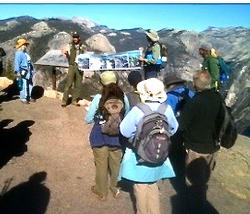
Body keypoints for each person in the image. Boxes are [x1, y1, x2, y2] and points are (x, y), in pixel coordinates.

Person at [119, 78, 178, 214]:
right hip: (159, 152)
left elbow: (124, 131)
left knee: (141, 188)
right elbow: (174, 129)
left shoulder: (138, 110)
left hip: (139, 155)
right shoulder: (166, 109)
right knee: (152, 186)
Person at [179, 70, 224, 214]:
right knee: (204, 179)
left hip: (196, 148)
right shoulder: (218, 98)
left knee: (193, 183)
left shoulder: (194, 102)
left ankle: (195, 209)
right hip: (213, 147)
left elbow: (182, 125)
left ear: (196, 84)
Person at [85, 71, 130, 201]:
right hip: (117, 137)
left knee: (101, 165)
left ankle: (101, 191)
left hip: (99, 136)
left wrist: (98, 118)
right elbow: (127, 116)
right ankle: (115, 188)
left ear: (101, 83)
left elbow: (88, 119)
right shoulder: (123, 98)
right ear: (117, 82)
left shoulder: (98, 98)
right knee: (116, 164)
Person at [61, 31, 85, 107]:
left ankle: (74, 100)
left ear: (79, 38)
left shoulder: (83, 46)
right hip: (72, 66)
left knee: (78, 85)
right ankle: (64, 101)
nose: (75, 39)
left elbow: (86, 56)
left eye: (76, 37)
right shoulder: (70, 46)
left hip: (80, 66)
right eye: (74, 37)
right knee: (69, 84)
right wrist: (66, 54)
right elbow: (67, 56)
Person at [14, 38, 35, 104]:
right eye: (25, 44)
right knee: (23, 84)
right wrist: (17, 72)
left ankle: (29, 96)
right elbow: (17, 63)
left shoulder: (24, 53)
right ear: (21, 46)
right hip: (23, 71)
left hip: (28, 71)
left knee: (30, 84)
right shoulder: (18, 53)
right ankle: (23, 98)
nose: (26, 46)